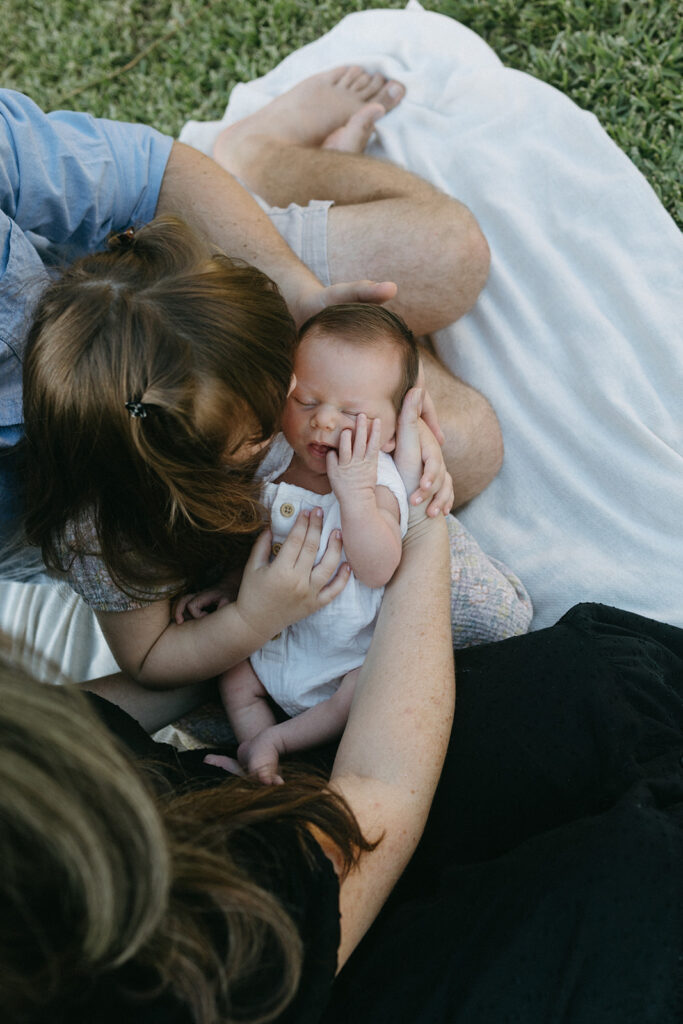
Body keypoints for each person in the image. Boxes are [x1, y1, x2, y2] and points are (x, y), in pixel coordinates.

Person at [2, 422, 681, 1022]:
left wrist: (242, 632)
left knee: (594, 687)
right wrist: (418, 523)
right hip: (277, 917)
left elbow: (80, 722)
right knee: (639, 884)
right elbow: (378, 791)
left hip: (246, 815)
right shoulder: (171, 966)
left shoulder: (37, 766)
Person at [0, 69, 499, 546]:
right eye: (287, 404)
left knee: (451, 252)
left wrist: (301, 295)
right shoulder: (136, 514)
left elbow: (148, 173)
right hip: (160, 442)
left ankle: (257, 154)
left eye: (289, 389)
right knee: (469, 448)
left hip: (169, 312)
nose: (290, 396)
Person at [176, 304, 531, 782]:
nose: (322, 421)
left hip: (344, 655)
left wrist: (355, 498)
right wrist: (229, 585)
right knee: (235, 675)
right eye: (306, 402)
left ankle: (280, 744)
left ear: (391, 430)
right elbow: (264, 543)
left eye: (351, 413)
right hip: (277, 636)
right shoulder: (275, 461)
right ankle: (255, 752)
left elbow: (378, 566)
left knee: (362, 691)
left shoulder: (379, 480)